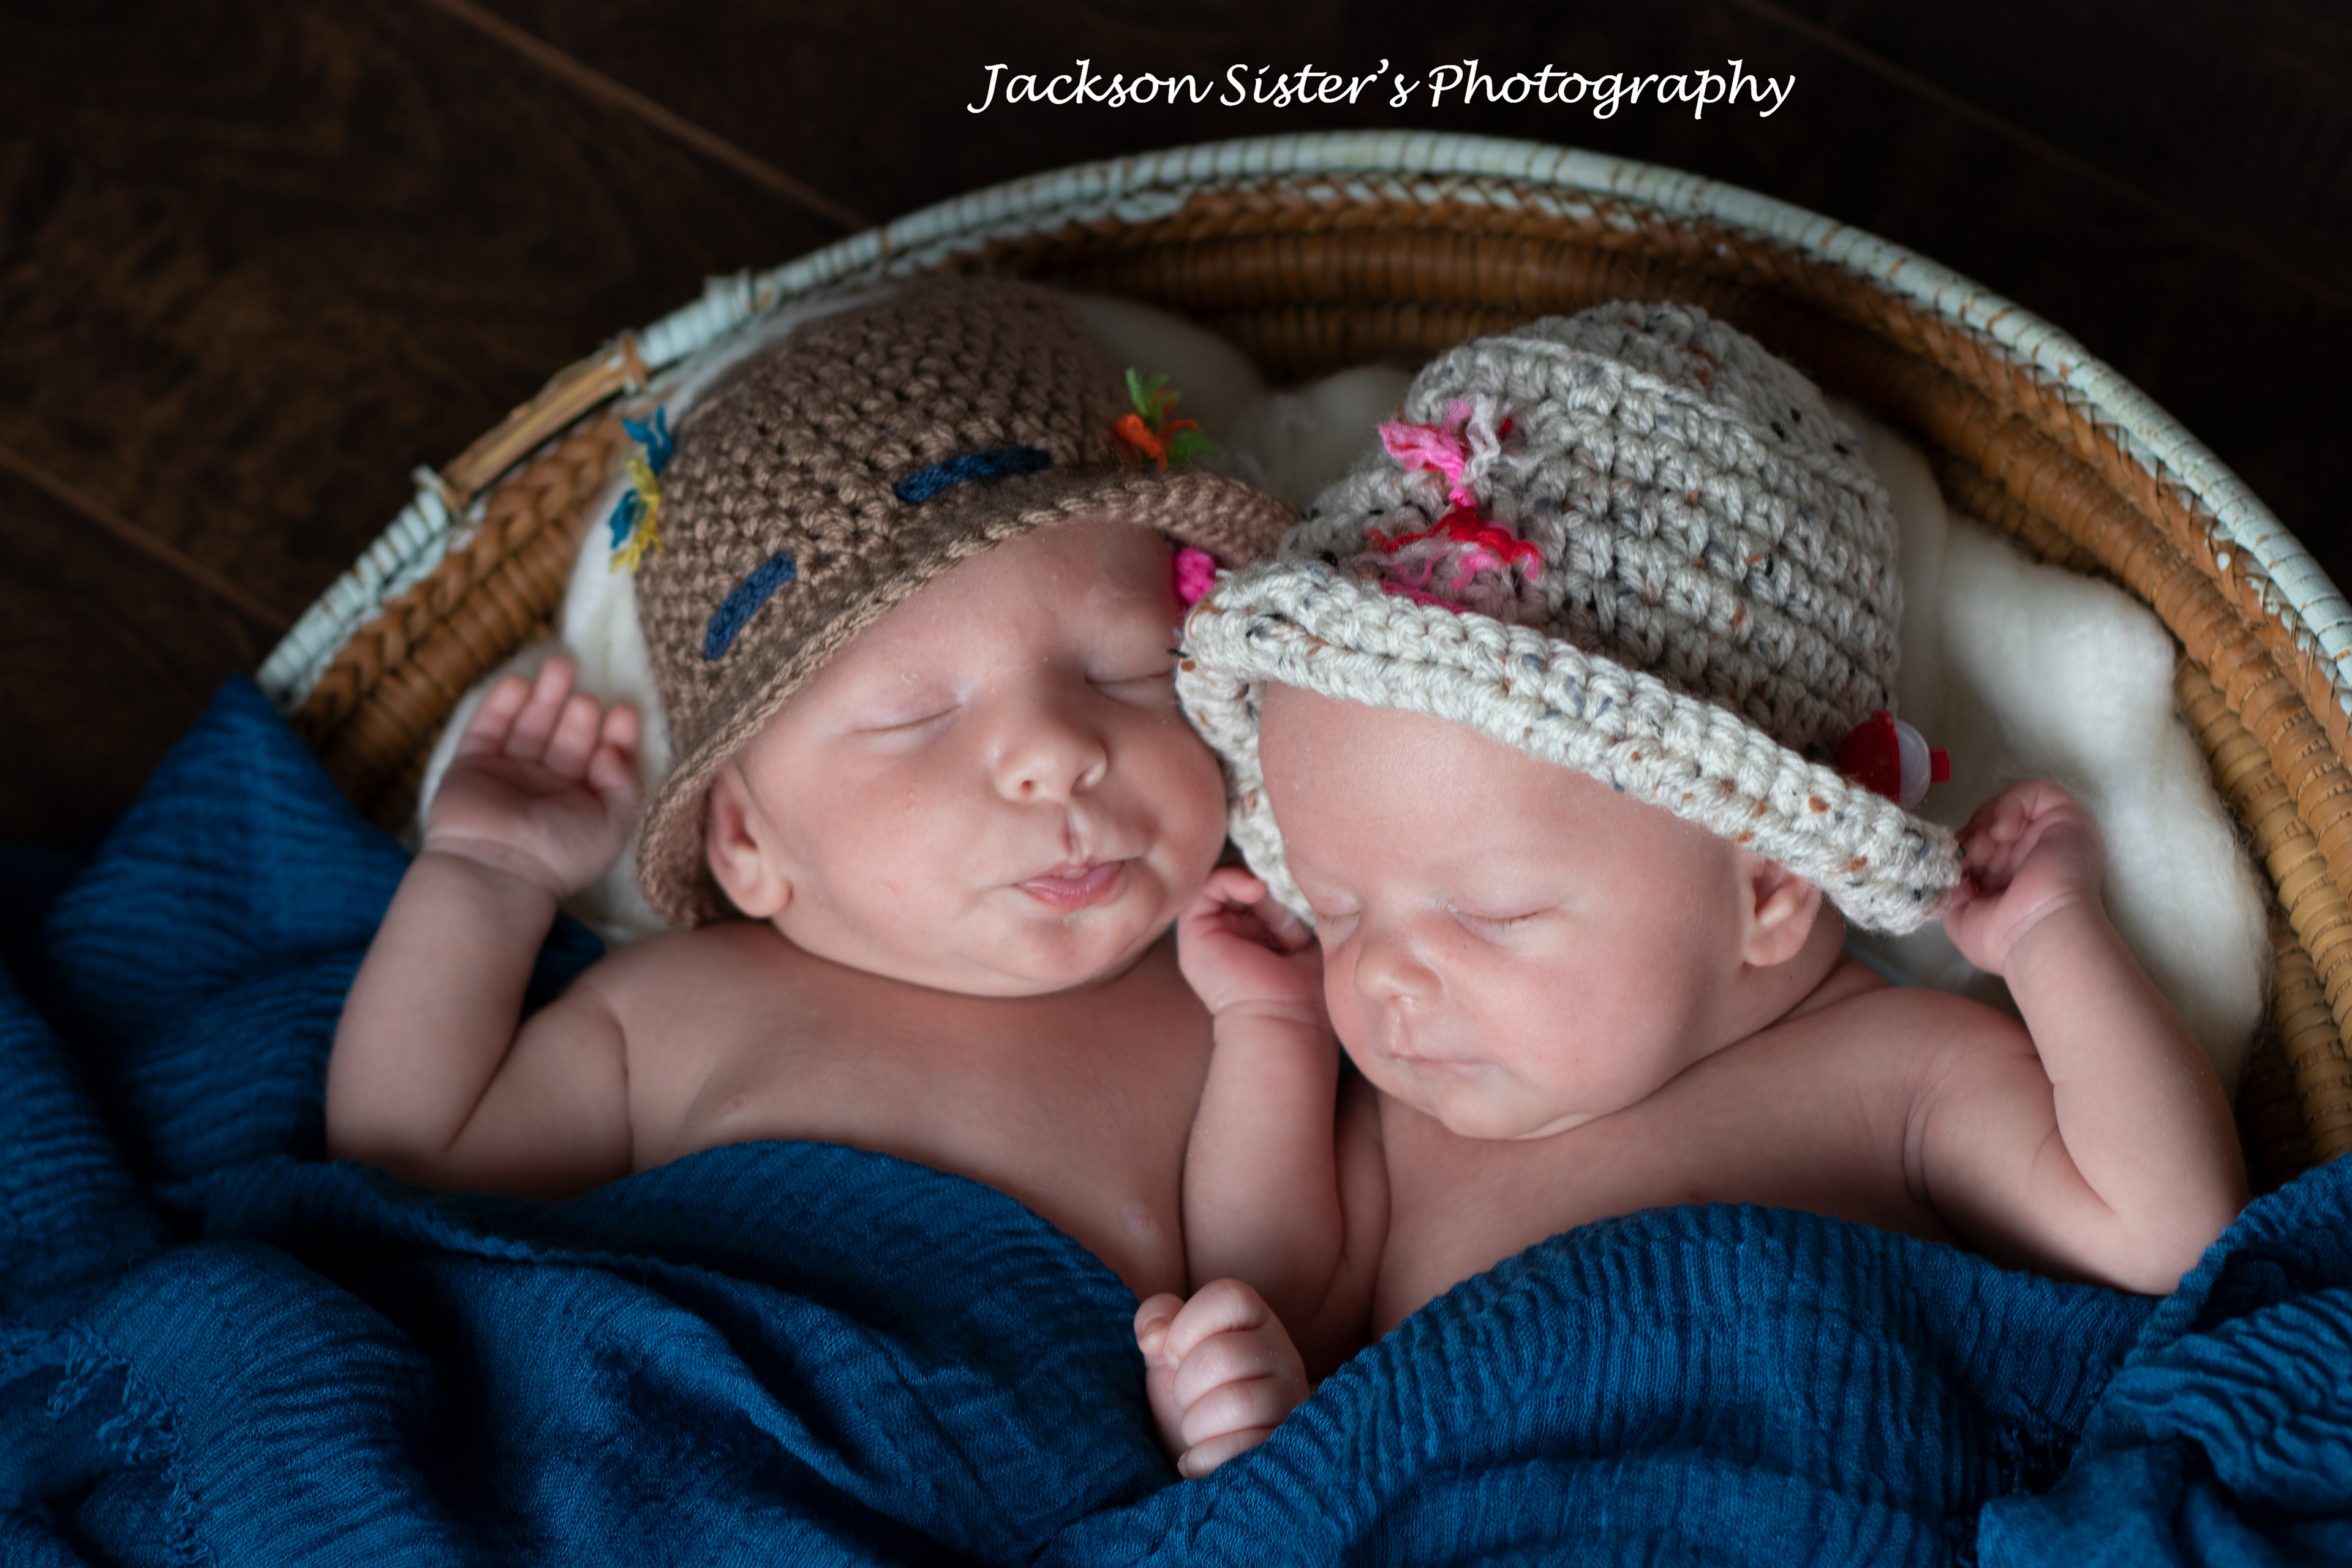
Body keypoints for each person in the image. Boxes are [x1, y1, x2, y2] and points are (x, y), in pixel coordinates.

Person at [1134, 301, 2247, 1477]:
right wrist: (1268, 1039)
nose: (1381, 976)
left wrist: (2049, 939)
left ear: (1769, 890)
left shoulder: (1896, 1074)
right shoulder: (1409, 1129)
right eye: (1338, 907)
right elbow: (1278, 1293)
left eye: (1493, 914)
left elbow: (2166, 1241)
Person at [326, 277, 1291, 1306]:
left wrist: (1247, 1363)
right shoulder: (679, 1009)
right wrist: (489, 873)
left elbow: (1325, 1298)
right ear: (747, 841)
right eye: (916, 717)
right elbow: (410, 1160)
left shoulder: (1244, 999)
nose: (1056, 752)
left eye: (1128, 673)